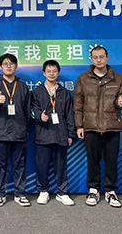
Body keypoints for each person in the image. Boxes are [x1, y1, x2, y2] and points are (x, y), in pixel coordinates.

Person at [73, 46, 122, 208]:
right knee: (93, 160)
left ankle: (110, 191)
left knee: (111, 160)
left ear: (107, 57)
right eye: (95, 57)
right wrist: (79, 126)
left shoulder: (118, 79)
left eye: (101, 57)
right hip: (90, 127)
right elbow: (77, 105)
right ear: (91, 59)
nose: (98, 60)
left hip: (112, 126)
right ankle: (93, 190)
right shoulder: (83, 79)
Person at [0, 53, 31, 207]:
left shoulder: (23, 86)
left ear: (16, 66)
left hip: (19, 132)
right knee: (0, 165)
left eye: (11, 63)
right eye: (5, 64)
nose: (9, 66)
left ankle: (20, 193)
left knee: (20, 165)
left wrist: (26, 129)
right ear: (0, 67)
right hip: (0, 133)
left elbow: (28, 111)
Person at [31, 60, 76, 206]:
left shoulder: (64, 92)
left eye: (54, 71)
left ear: (58, 73)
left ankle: (62, 192)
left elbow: (70, 114)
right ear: (44, 73)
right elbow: (32, 110)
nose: (51, 74)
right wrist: (40, 116)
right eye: (49, 71)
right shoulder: (37, 92)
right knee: (42, 165)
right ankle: (43, 191)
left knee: (61, 166)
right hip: (43, 134)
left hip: (60, 134)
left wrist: (71, 134)